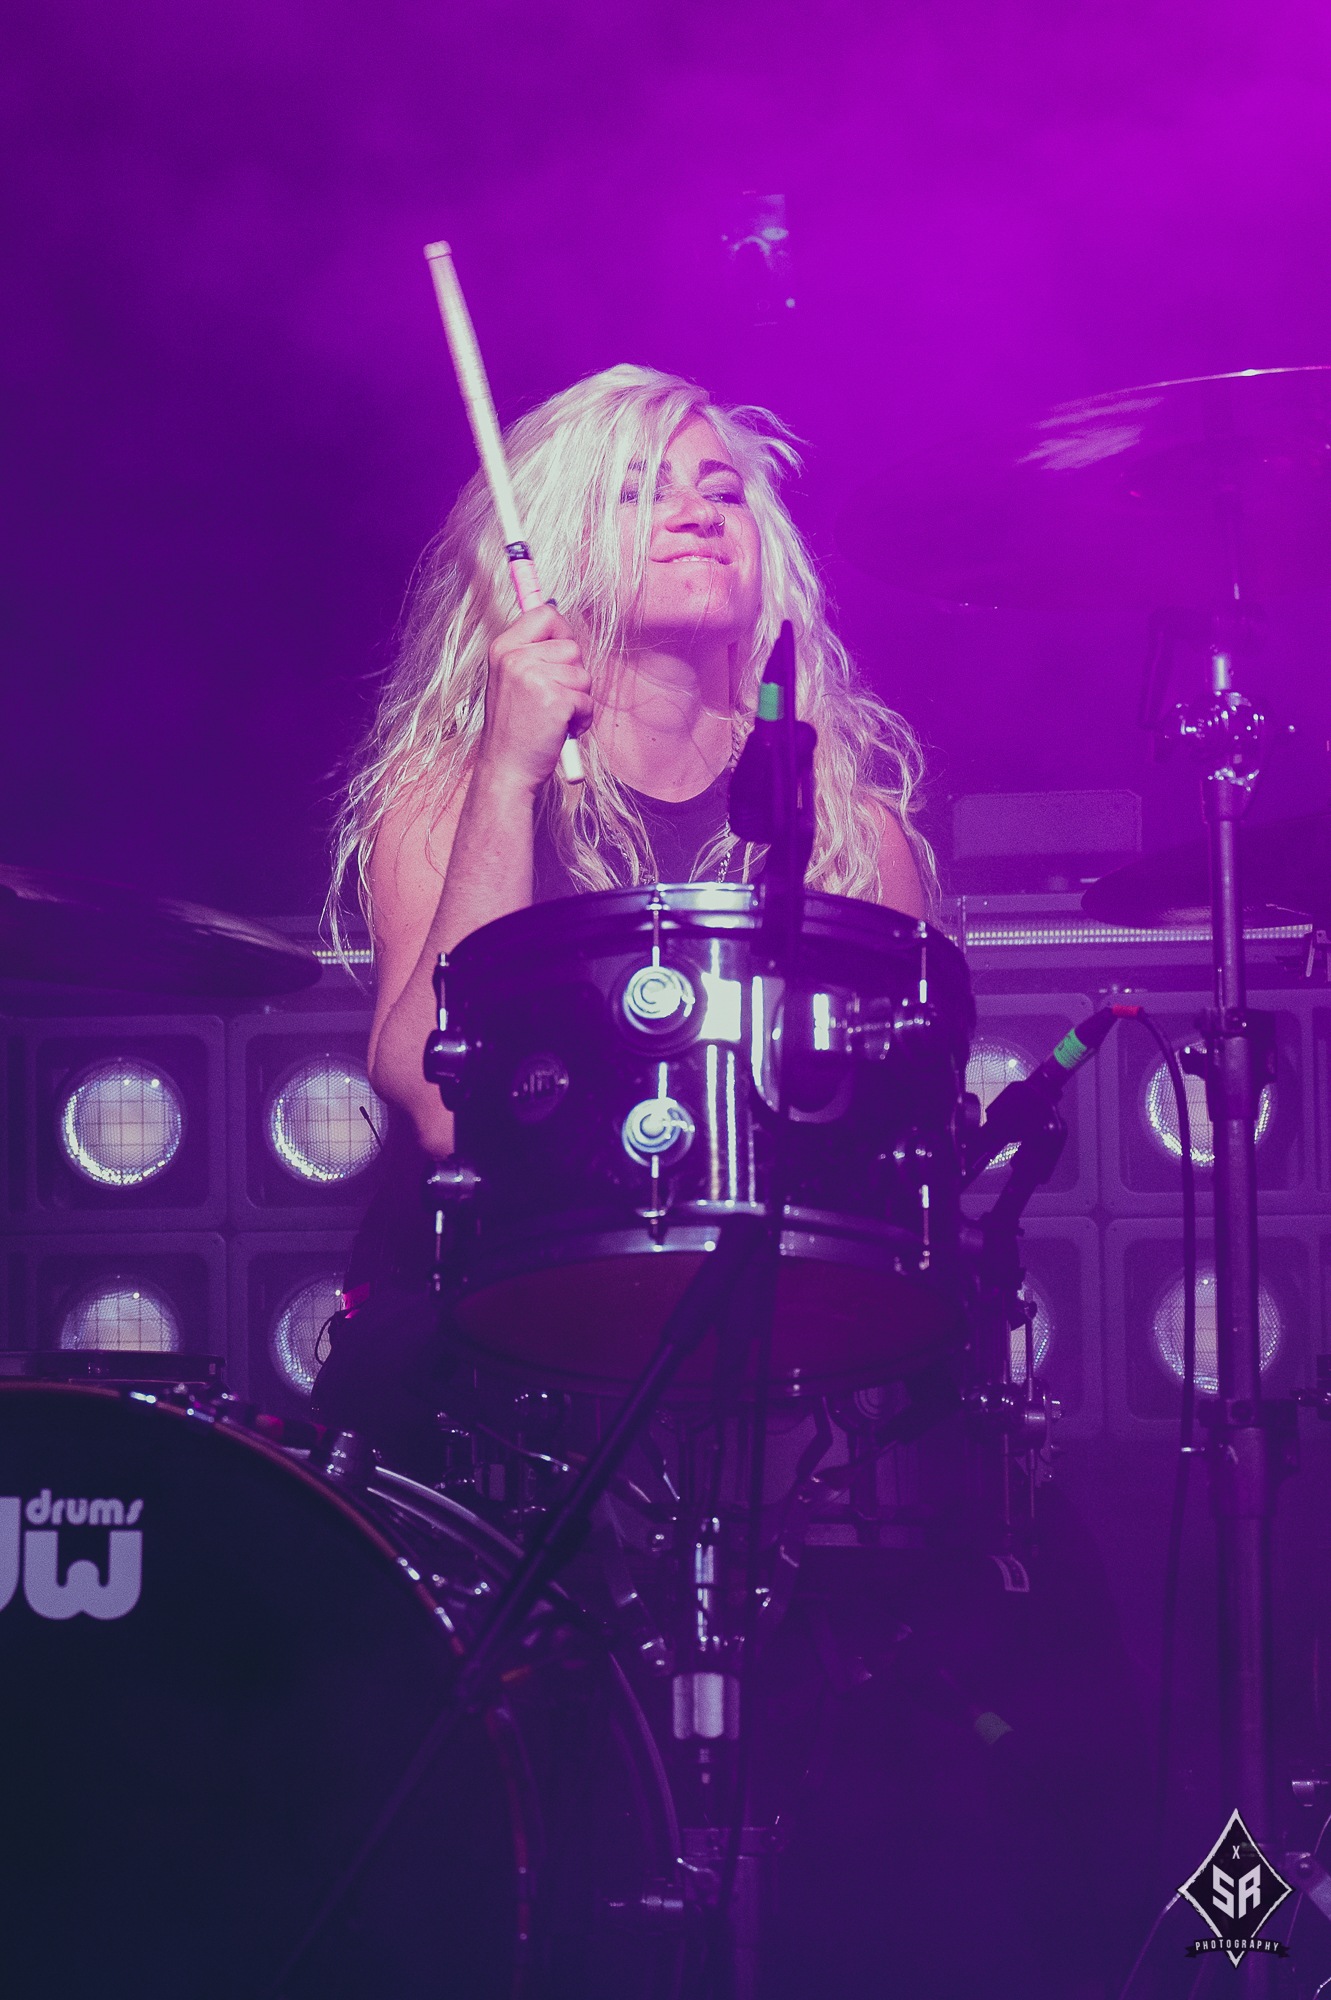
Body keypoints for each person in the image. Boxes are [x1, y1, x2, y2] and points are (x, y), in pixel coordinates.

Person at [329, 362, 933, 1163]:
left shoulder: (847, 831)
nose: (699, 515)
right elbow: (441, 1111)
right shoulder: (446, 799)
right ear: (551, 549)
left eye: (723, 494)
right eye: (639, 492)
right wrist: (506, 780)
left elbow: (905, 1132)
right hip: (521, 1242)